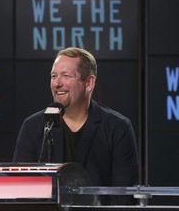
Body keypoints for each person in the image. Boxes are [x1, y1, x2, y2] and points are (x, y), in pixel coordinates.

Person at [13, 47, 139, 205]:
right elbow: (20, 190)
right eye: (54, 76)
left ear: (89, 83)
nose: (57, 83)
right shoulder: (33, 127)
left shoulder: (118, 127)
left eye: (66, 76)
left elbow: (124, 197)